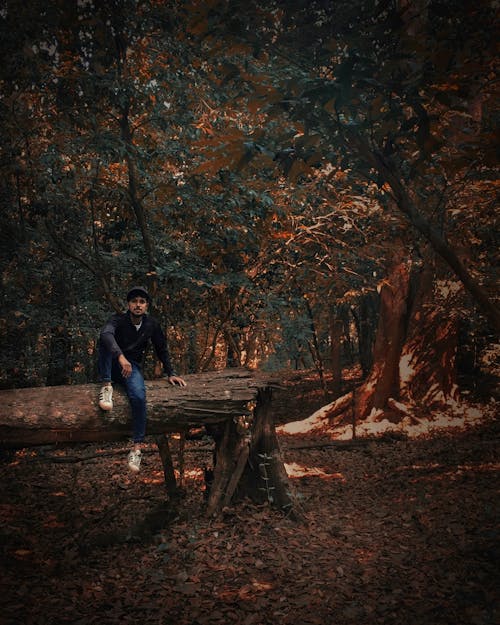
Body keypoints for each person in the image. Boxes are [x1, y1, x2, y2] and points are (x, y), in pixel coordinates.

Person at [97, 286, 186, 472]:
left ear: (146, 305)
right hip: (112, 365)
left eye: (142, 302)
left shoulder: (151, 325)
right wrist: (120, 357)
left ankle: (136, 449)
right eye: (134, 301)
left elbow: (161, 349)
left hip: (131, 368)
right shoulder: (118, 320)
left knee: (138, 396)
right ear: (128, 304)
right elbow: (105, 334)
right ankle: (106, 387)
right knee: (105, 340)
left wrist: (171, 373)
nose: (138, 305)